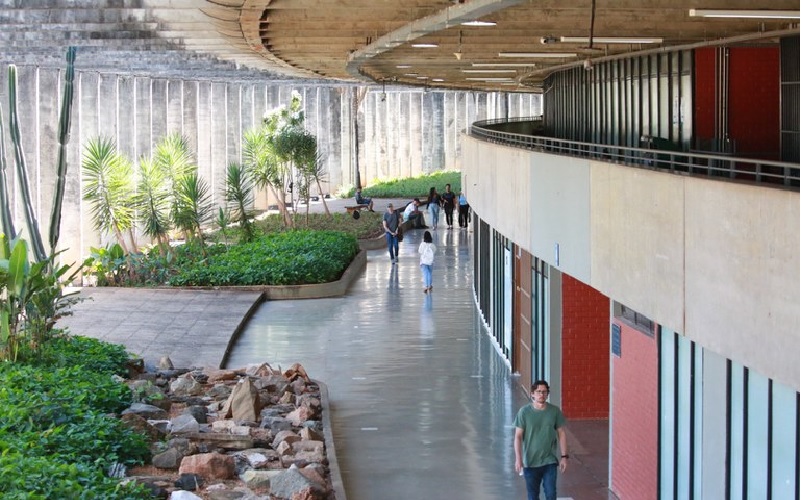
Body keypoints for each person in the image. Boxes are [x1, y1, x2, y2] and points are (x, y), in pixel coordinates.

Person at [513, 380, 569, 500]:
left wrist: (564, 457)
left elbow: (561, 433)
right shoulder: (524, 412)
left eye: (544, 392)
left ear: (547, 394)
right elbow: (518, 436)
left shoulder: (554, 411)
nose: (541, 394)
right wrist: (518, 459)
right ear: (532, 394)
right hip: (530, 462)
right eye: (538, 392)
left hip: (549, 461)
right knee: (533, 496)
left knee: (551, 494)